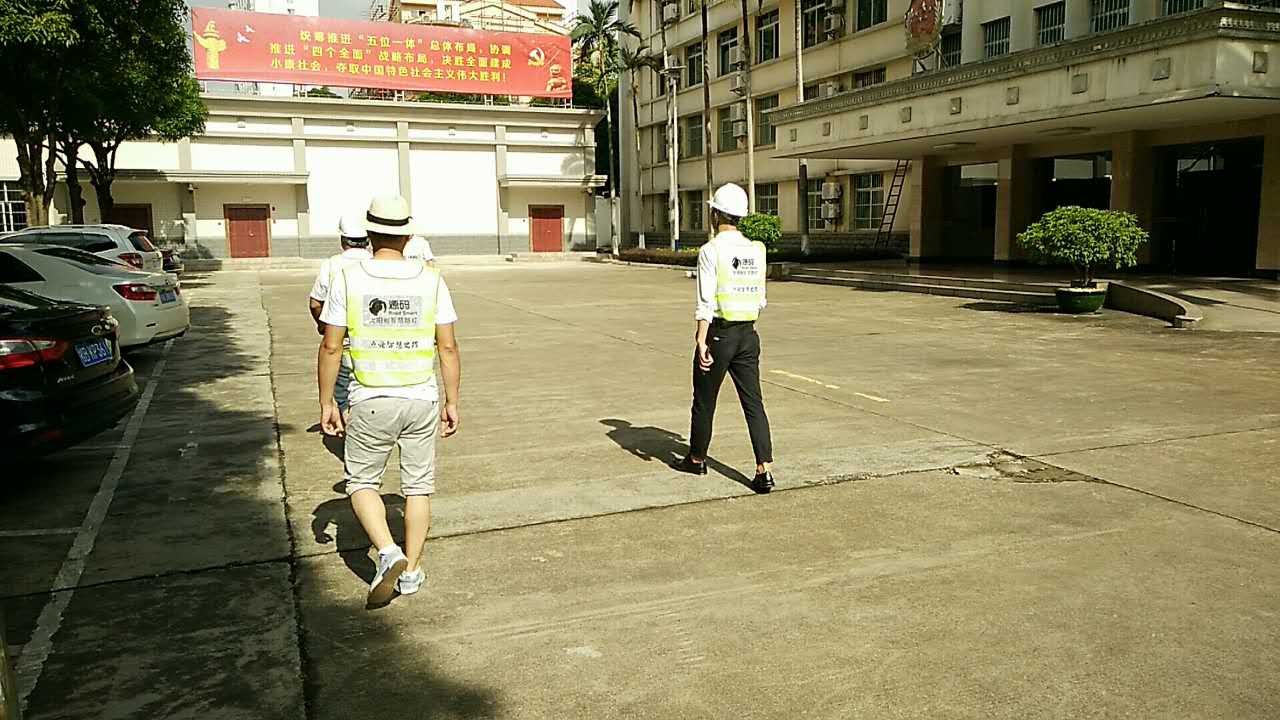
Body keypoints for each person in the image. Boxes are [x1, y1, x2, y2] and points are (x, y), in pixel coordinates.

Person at [317, 194, 462, 608]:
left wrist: (327, 402)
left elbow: (331, 346)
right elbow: (447, 347)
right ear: (408, 236)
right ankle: (411, 571)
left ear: (369, 233)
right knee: (418, 488)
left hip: (370, 397)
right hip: (421, 397)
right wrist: (452, 401)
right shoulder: (431, 279)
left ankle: (386, 550)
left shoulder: (348, 278)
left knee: (362, 482)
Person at [673, 183, 775, 494]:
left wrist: (701, 339)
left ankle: (696, 459)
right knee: (753, 402)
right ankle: (764, 470)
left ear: (715, 214)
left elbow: (705, 300)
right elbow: (760, 298)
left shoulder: (711, 251)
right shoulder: (756, 250)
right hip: (748, 334)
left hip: (720, 333)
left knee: (705, 401)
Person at [309, 213, 373, 411]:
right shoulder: (377, 262)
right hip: (374, 343)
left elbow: (315, 303)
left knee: (345, 398)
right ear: (368, 239)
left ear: (343, 240)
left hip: (342, 343)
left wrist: (324, 326)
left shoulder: (331, 265)